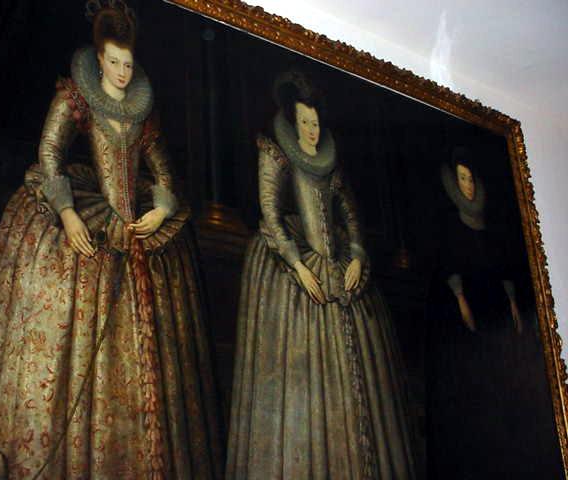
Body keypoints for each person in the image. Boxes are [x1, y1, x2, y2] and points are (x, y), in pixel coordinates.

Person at [0, 2, 222, 478]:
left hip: (135, 225)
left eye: (128, 64)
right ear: (99, 60)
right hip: (87, 217)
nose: (122, 72)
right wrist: (68, 213)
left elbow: (163, 173)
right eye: (114, 62)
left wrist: (160, 210)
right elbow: (50, 153)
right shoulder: (76, 97)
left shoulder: (142, 111)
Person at [226, 71, 415, 479]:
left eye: (315, 123)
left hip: (339, 266)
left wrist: (358, 256)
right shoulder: (276, 153)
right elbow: (271, 214)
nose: (311, 130)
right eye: (304, 123)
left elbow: (350, 216)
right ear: (293, 123)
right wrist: (297, 266)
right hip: (293, 268)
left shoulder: (330, 161)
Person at [426, 147, 562, 478]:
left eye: (471, 178)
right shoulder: (450, 224)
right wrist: (461, 300)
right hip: (470, 308)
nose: (468, 185)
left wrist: (512, 301)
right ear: (455, 183)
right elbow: (450, 267)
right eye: (462, 179)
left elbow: (503, 266)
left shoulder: (487, 222)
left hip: (495, 304)